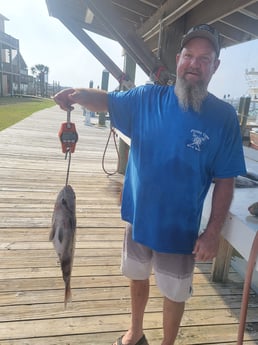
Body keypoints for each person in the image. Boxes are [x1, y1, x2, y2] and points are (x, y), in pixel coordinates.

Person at [54, 24, 246, 345]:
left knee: (174, 291)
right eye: (188, 56)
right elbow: (107, 101)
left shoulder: (223, 116)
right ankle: (136, 330)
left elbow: (226, 180)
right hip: (138, 219)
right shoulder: (146, 97)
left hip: (180, 230)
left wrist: (212, 233)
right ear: (178, 59)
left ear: (215, 66)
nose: (194, 64)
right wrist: (76, 94)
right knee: (136, 275)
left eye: (204, 58)